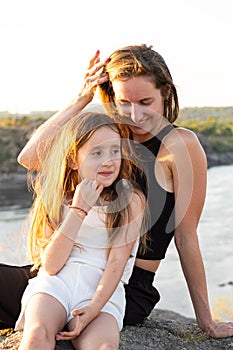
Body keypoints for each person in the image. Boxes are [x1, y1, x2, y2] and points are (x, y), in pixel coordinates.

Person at [1, 44, 233, 339]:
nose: (135, 115)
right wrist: (81, 98)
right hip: (63, 272)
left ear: (166, 92)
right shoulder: (110, 136)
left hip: (121, 289)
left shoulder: (180, 146)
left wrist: (207, 323)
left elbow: (186, 237)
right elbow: (30, 158)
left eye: (146, 101)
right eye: (125, 102)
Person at [13, 111, 147, 350]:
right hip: (57, 284)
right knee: (36, 335)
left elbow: (117, 262)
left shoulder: (131, 199)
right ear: (74, 159)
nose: (108, 161)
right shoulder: (55, 197)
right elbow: (52, 265)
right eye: (97, 153)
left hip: (101, 293)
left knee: (103, 347)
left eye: (114, 151)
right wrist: (78, 210)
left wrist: (94, 307)